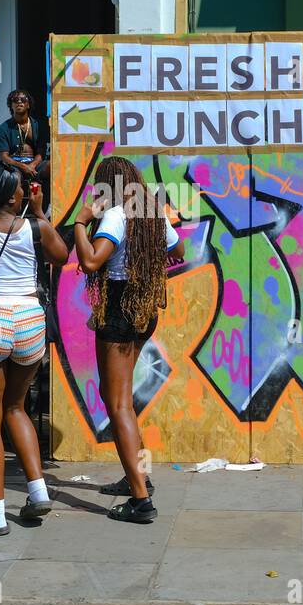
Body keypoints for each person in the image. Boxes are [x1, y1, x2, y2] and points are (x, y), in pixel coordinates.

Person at [72, 156, 185, 524]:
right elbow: (178, 251)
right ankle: (138, 476)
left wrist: (81, 220)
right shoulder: (151, 213)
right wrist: (144, 267)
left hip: (119, 311)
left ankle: (140, 501)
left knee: (117, 403)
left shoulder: (116, 217)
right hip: (144, 311)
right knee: (121, 399)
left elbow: (90, 262)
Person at [0, 165, 68, 535]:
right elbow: (61, 257)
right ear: (13, 195)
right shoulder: (36, 228)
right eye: (23, 188)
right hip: (29, 319)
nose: (27, 192)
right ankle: (37, 489)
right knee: (17, 407)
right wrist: (40, 213)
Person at [0, 90, 49, 188]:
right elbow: (3, 156)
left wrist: (32, 165)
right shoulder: (4, 127)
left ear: (28, 105)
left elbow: (41, 152)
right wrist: (23, 167)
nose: (19, 102)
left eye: (23, 99)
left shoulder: (38, 125)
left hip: (34, 164)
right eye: (15, 100)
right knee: (14, 178)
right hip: (14, 166)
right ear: (11, 105)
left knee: (52, 166)